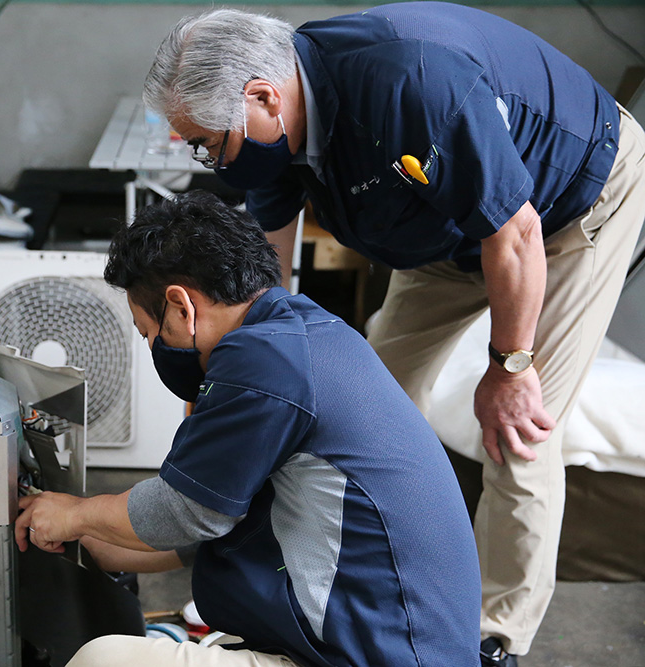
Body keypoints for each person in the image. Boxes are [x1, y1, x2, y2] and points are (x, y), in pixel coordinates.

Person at [144, 5, 645, 665]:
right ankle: (290, 576)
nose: (210, 159)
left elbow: (515, 231)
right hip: (446, 233)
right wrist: (239, 373)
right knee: (348, 407)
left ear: (263, 97)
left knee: (518, 429)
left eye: (210, 143)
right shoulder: (278, 130)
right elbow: (264, 265)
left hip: (561, 214)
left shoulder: (409, 82)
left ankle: (492, 636)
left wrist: (510, 366)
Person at [15, 191, 481, 667]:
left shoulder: (261, 360)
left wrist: (76, 514)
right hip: (401, 647)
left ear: (180, 306)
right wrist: (88, 535)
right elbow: (213, 526)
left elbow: (186, 512)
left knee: (104, 660)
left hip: (379, 656)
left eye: (147, 332)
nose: (154, 345)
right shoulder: (306, 332)